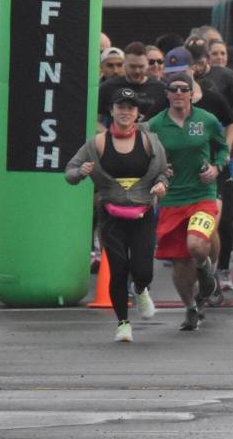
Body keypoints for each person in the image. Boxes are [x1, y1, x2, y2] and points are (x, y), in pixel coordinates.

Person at [65, 88, 169, 342]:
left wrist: (161, 185)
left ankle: (141, 288)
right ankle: (123, 323)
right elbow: (70, 171)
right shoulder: (98, 143)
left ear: (137, 113)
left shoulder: (149, 141)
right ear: (111, 111)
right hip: (111, 214)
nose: (125, 112)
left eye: (130, 108)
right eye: (120, 107)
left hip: (142, 212)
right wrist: (82, 171)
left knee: (143, 269)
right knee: (119, 268)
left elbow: (163, 171)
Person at [146, 72, 230, 332]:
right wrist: (158, 171)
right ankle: (191, 307)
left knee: (196, 244)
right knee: (180, 262)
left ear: (192, 93)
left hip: (202, 194)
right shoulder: (154, 125)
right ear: (167, 93)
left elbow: (223, 147)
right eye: (174, 89)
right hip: (172, 199)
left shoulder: (207, 120)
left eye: (185, 89)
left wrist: (216, 168)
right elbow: (144, 158)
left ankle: (207, 273)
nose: (180, 93)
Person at [98, 42, 170, 127]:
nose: (137, 71)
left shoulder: (161, 89)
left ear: (147, 64)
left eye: (141, 66)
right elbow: (93, 117)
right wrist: (106, 134)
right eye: (132, 66)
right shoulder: (107, 88)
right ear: (124, 64)